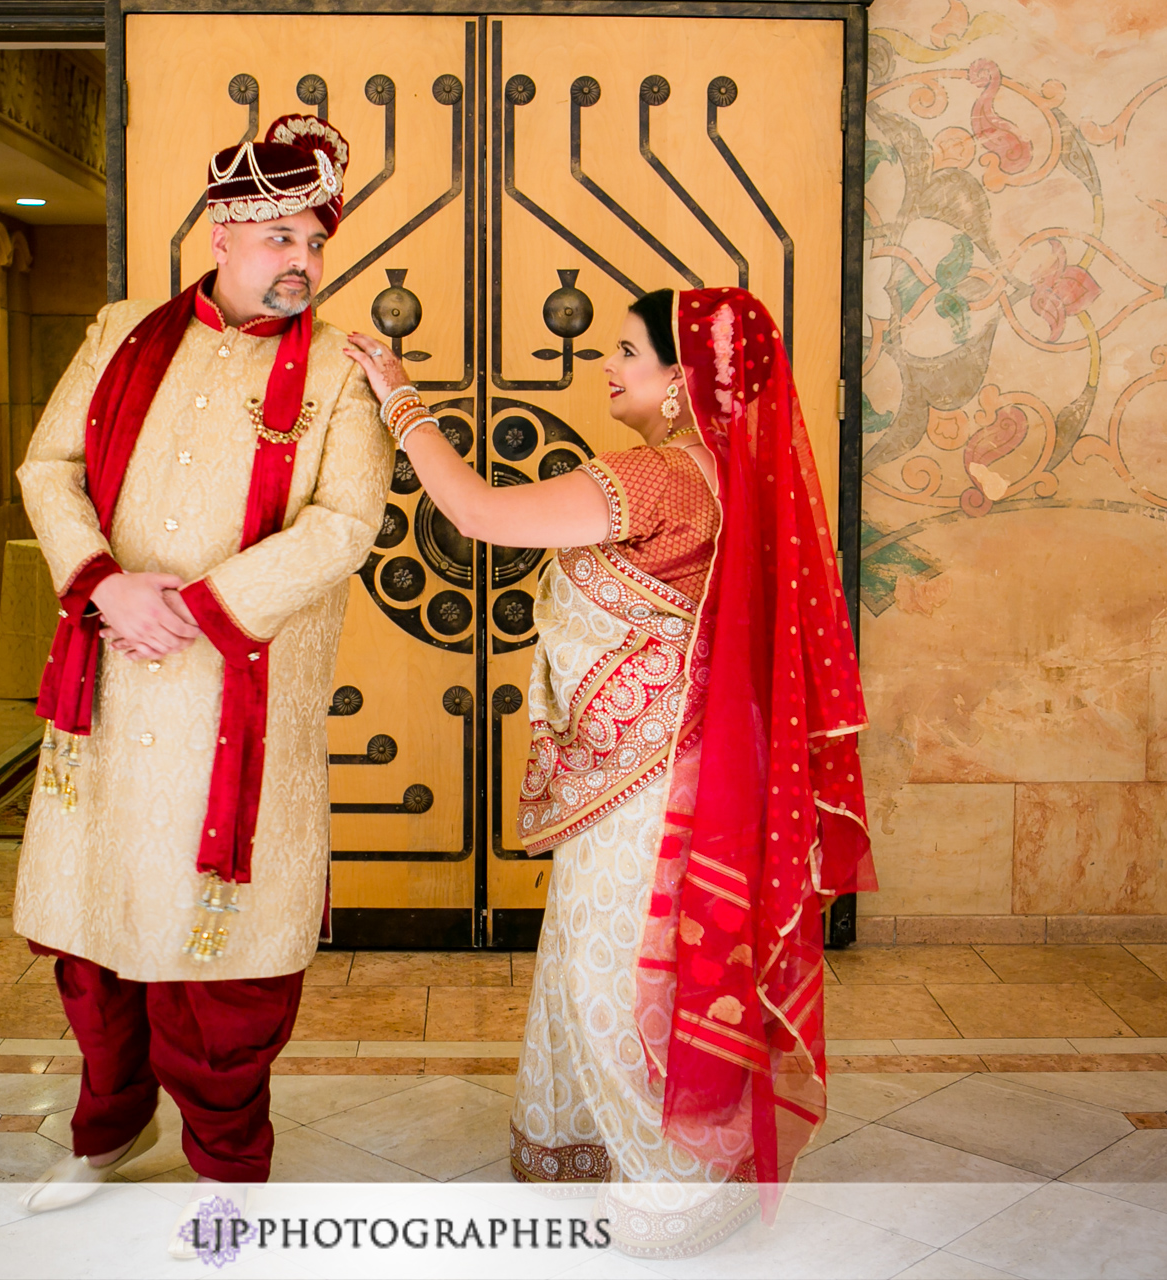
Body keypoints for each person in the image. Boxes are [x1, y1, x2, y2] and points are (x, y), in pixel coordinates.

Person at [344, 287, 876, 1256]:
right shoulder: (728, 477)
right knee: (602, 956)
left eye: (629, 351)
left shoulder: (664, 478)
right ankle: (578, 1136)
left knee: (617, 971)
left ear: (682, 382)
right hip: (674, 765)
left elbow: (477, 512)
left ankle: (680, 1179)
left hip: (652, 785)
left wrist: (401, 399)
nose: (608, 362)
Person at [13, 112, 389, 1243]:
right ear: (222, 232)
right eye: (277, 235)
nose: (301, 260)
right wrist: (102, 585)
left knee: (224, 962)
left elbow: (347, 521)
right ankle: (108, 1123)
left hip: (240, 699)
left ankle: (227, 1169)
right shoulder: (124, 333)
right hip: (109, 683)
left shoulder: (338, 366)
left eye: (313, 240)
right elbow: (50, 464)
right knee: (96, 928)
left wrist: (201, 606)